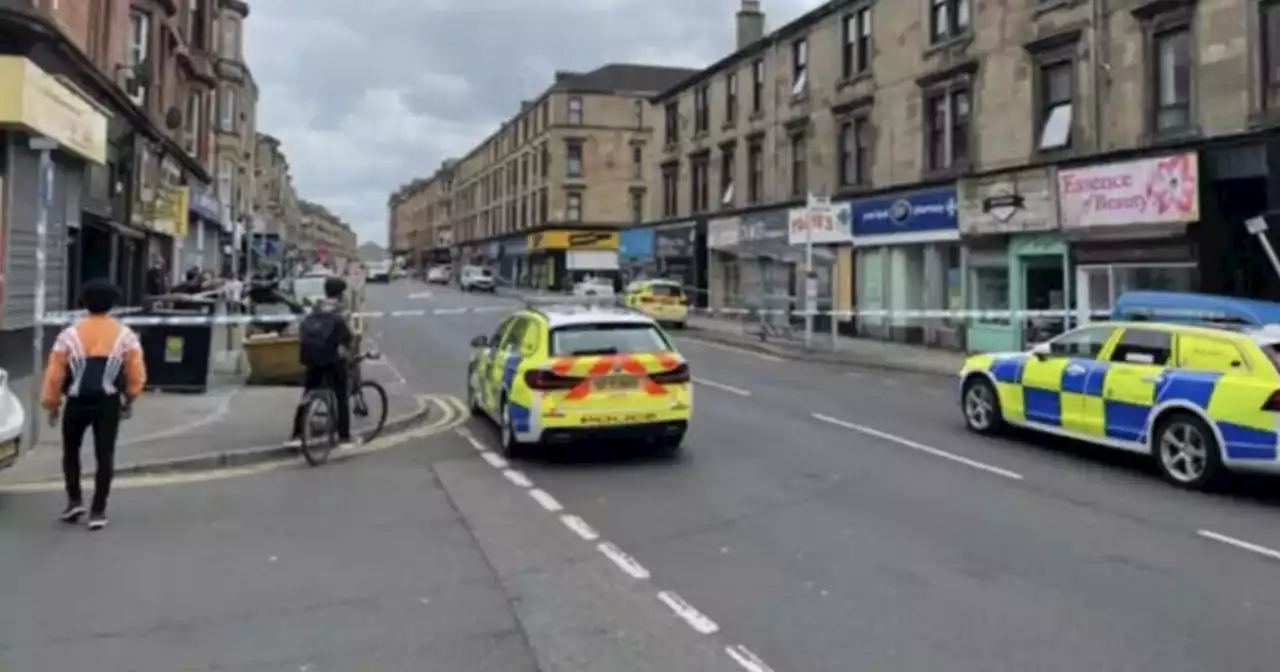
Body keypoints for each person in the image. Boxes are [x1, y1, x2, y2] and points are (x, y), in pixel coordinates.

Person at [42, 279, 147, 530]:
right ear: (113, 305)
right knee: (105, 454)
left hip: (77, 402)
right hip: (108, 402)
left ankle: (74, 500)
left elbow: (54, 374)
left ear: (84, 304)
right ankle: (98, 510)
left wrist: (52, 404)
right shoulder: (125, 335)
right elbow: (136, 372)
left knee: (71, 452)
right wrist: (131, 397)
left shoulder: (69, 334)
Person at [289, 276, 354, 446]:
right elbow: (348, 336)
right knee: (341, 396)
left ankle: (296, 434)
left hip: (311, 357)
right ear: (341, 294)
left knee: (308, 394)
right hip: (332, 359)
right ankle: (344, 437)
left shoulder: (315, 307)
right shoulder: (342, 311)